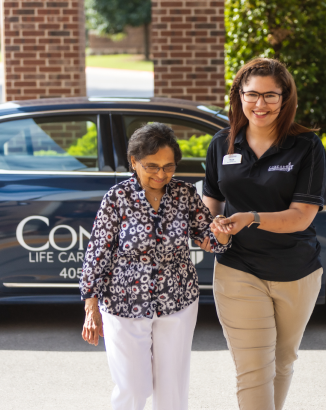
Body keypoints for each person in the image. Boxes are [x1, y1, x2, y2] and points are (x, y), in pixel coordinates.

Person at [79, 122, 231, 410]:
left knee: (172, 389)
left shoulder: (184, 194)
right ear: (134, 161)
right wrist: (91, 307)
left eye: (169, 167)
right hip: (123, 304)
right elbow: (97, 252)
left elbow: (206, 238)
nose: (161, 174)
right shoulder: (117, 199)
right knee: (133, 388)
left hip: (178, 301)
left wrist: (220, 236)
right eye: (152, 166)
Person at [203, 58, 326, 410]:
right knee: (254, 369)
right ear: (238, 96)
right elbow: (210, 206)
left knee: (282, 361)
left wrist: (250, 218)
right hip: (239, 269)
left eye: (270, 96)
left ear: (285, 98)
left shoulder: (306, 147)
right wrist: (217, 230)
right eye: (252, 95)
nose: (260, 105)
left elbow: (301, 217)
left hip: (296, 270)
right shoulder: (221, 145)